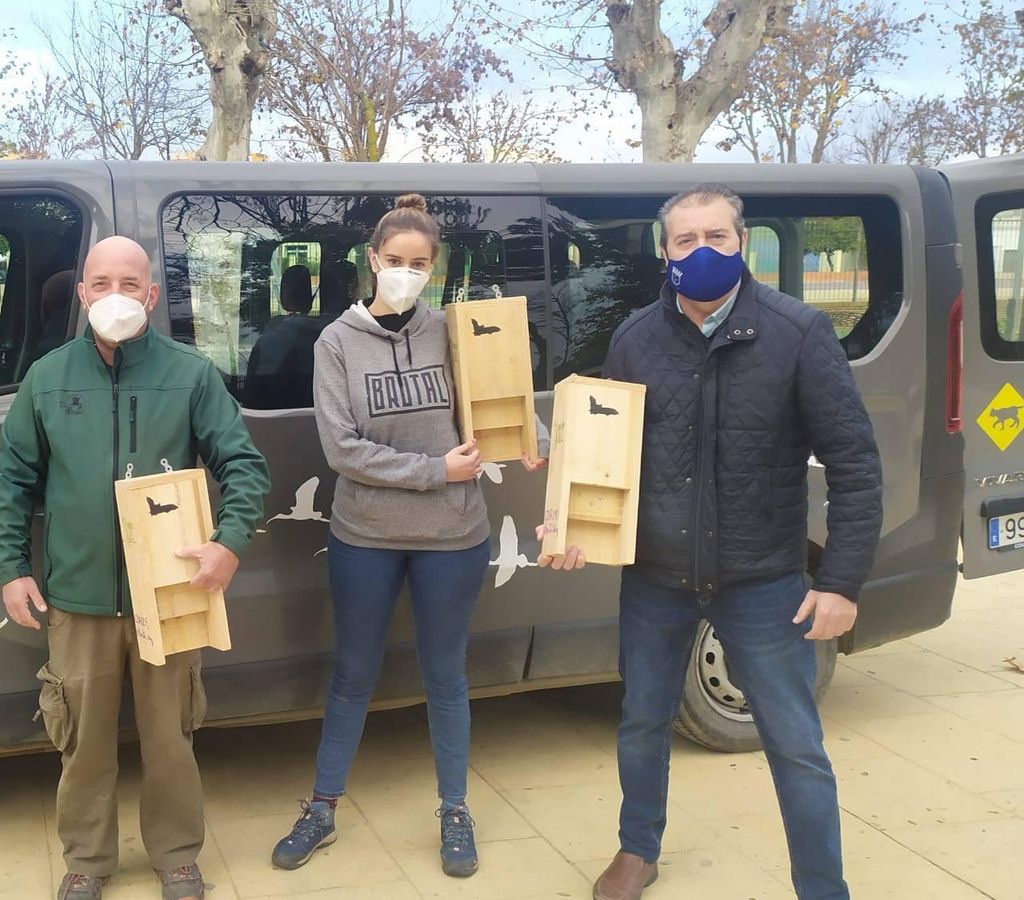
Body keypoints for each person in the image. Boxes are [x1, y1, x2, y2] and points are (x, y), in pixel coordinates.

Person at [270, 194, 584, 879]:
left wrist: (531, 438)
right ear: (372, 260)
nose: (405, 273)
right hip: (365, 536)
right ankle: (322, 806)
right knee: (353, 675)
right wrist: (435, 471)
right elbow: (342, 449)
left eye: (419, 264)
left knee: (445, 677)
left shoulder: (453, 332)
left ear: (434, 268)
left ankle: (455, 809)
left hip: (453, 537)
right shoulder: (335, 343)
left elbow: (500, 399)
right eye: (395, 260)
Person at [592, 184, 882, 900]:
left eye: (716, 237)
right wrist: (571, 516)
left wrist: (841, 582)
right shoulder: (634, 338)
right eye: (685, 240)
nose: (702, 251)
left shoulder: (798, 332)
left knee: (795, 744)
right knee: (642, 722)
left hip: (763, 579)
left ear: (742, 243)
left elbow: (854, 462)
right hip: (657, 577)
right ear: (665, 251)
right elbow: (606, 453)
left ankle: (822, 885)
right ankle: (637, 848)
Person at [0, 236, 271, 900]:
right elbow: (14, 480)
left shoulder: (189, 375)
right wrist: (12, 566)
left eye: (128, 283)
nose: (114, 295)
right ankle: (88, 860)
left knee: (170, 739)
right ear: (81, 293)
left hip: (169, 593)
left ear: (151, 295)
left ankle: (176, 854)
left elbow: (243, 464)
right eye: (100, 283)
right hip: (78, 598)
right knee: (83, 741)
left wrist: (229, 543)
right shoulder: (48, 379)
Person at [243, 264, 324, 409]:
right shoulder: (329, 335)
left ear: (283, 296)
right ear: (310, 297)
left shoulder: (268, 337)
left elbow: (250, 399)